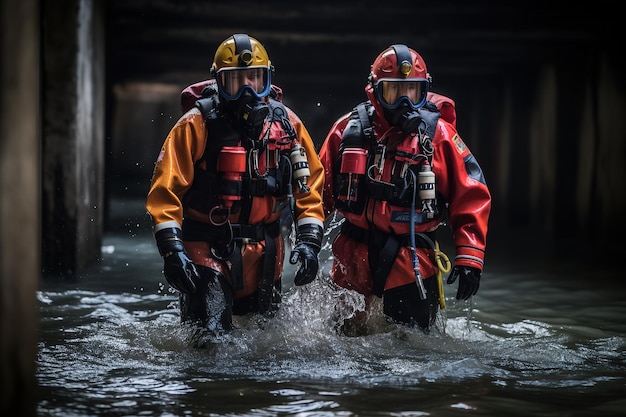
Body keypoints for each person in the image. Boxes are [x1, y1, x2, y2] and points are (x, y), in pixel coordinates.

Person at [146, 34, 325, 335]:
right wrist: (172, 251)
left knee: (262, 348)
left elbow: (310, 188)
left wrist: (309, 243)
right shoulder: (196, 124)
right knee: (211, 343)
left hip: (265, 257)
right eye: (235, 81)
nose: (247, 90)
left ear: (268, 81)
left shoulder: (287, 125)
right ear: (218, 83)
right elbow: (166, 192)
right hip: (206, 250)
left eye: (255, 79)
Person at [319, 44, 491, 333]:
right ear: (375, 91)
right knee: (343, 339)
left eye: (412, 91)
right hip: (352, 255)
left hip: (410, 260)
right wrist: (307, 240)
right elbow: (316, 191)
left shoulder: (440, 137)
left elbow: (470, 193)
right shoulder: (347, 131)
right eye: (393, 92)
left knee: (412, 347)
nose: (403, 102)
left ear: (423, 91)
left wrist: (470, 255)